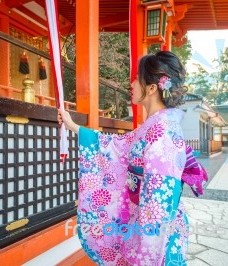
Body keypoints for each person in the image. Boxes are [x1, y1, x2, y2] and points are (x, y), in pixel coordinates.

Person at [58, 51, 208, 266]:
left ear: (152, 88)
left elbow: (159, 197)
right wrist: (74, 127)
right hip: (146, 221)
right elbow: (118, 146)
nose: (132, 83)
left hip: (157, 235)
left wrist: (148, 245)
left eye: (137, 78)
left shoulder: (161, 131)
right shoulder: (154, 126)